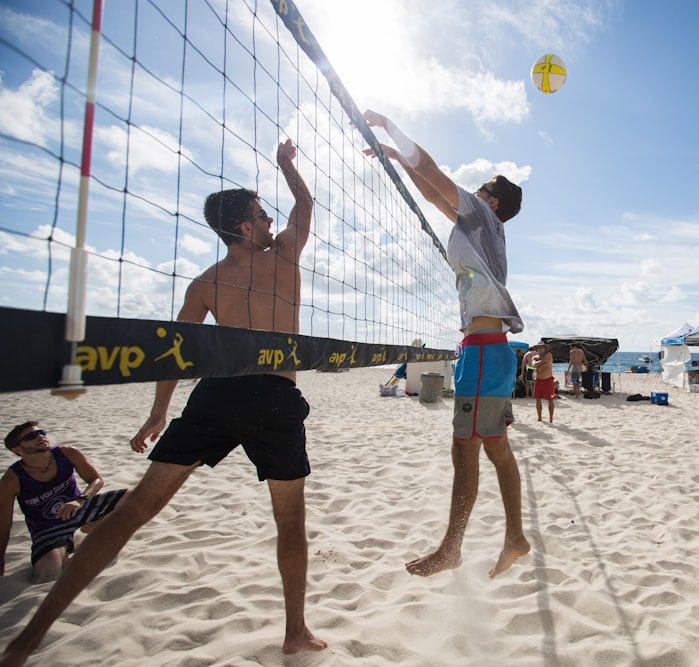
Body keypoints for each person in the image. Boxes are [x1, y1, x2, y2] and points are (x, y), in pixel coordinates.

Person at [1, 139, 327, 666]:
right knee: (290, 523)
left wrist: (159, 412)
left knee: (133, 512)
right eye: (262, 215)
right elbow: (306, 207)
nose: (271, 221)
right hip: (273, 394)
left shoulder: (205, 283)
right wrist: (288, 165)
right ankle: (295, 633)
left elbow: (175, 353)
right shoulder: (284, 256)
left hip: (216, 394)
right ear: (245, 227)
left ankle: (29, 638)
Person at [363, 110, 530, 579]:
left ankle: (452, 548)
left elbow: (435, 173)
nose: (471, 192)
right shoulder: (480, 224)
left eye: (480, 188)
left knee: (466, 452)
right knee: (494, 448)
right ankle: (513, 537)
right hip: (486, 351)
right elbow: (431, 187)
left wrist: (391, 129)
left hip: (483, 354)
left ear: (490, 200)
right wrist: (401, 162)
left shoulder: (479, 215)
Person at [1, 422, 127, 584]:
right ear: (17, 450)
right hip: (48, 528)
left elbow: (96, 480)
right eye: (31, 436)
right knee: (48, 570)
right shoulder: (12, 480)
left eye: (41, 432)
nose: (40, 436)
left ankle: (89, 527)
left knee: (132, 496)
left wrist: (80, 500)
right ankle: (69, 543)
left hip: (79, 510)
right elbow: (3, 527)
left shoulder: (67, 453)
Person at [532, 342, 556, 422]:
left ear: (545, 348)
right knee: (538, 399)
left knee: (550, 399)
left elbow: (544, 362)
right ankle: (539, 417)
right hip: (538, 380)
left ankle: (551, 418)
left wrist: (539, 367)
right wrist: (542, 365)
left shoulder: (548, 355)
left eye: (542, 347)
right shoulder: (535, 356)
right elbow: (533, 365)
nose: (540, 349)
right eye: (538, 347)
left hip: (548, 380)